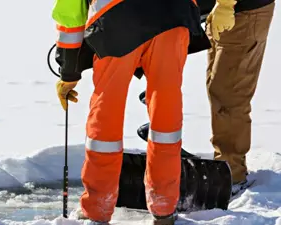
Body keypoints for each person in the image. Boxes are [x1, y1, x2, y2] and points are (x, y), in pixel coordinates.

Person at [51, 0, 234, 224]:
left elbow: (70, 15)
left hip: (117, 20)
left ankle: (97, 208)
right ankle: (164, 207)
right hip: (173, 18)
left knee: (106, 113)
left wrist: (69, 72)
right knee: (166, 114)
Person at [205, 0, 275, 194]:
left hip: (241, 12)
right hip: (221, 11)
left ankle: (232, 176)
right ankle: (225, 166)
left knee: (229, 95)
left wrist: (226, 3)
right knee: (217, 90)